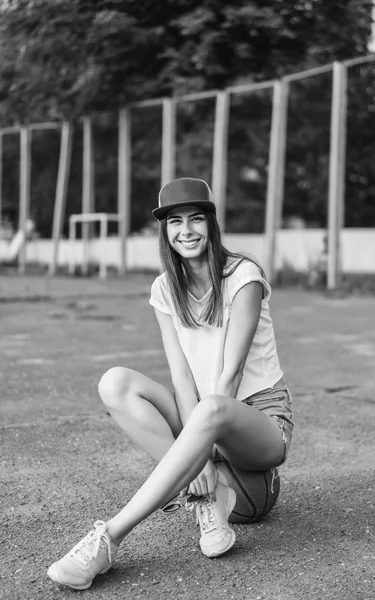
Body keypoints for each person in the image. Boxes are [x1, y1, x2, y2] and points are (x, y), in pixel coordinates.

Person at [47, 177, 294, 590]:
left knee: (212, 408)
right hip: (204, 416)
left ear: (211, 223)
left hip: (260, 420)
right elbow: (181, 374)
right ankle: (206, 500)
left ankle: (109, 537)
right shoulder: (165, 288)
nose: (186, 230)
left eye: (196, 218)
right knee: (116, 383)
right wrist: (197, 448)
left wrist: (201, 445)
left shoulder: (243, 276)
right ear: (164, 230)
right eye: (175, 221)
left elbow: (229, 374)